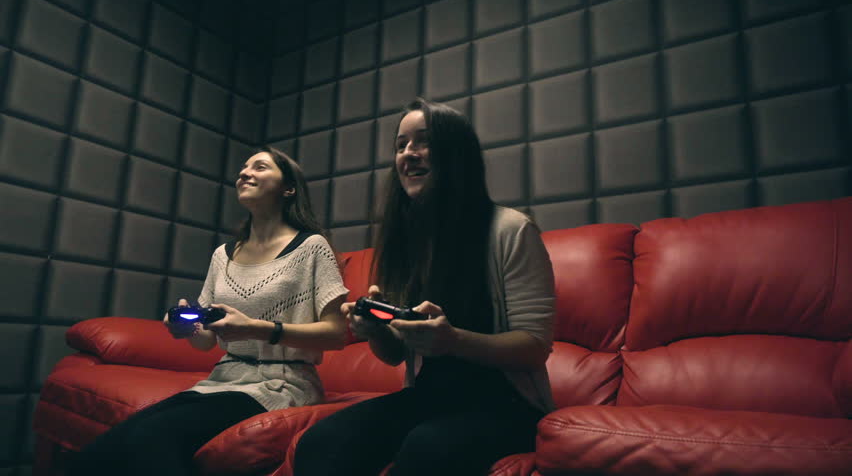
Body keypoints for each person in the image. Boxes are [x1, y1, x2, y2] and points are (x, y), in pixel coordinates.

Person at [293, 98, 556, 475]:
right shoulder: (408, 242)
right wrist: (376, 331)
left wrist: (453, 341)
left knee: (426, 450)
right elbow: (395, 355)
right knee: (321, 443)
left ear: (456, 153)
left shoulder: (511, 229)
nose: (408, 155)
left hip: (507, 403)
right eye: (401, 145)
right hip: (428, 397)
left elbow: (534, 348)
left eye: (422, 142)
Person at [68, 147, 349, 476]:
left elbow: (337, 334)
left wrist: (258, 328)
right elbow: (205, 342)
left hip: (283, 384)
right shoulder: (223, 254)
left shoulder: (312, 246)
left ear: (289, 188)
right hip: (222, 380)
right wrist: (187, 328)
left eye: (259, 167)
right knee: (98, 455)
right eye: (243, 168)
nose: (244, 173)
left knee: (154, 436)